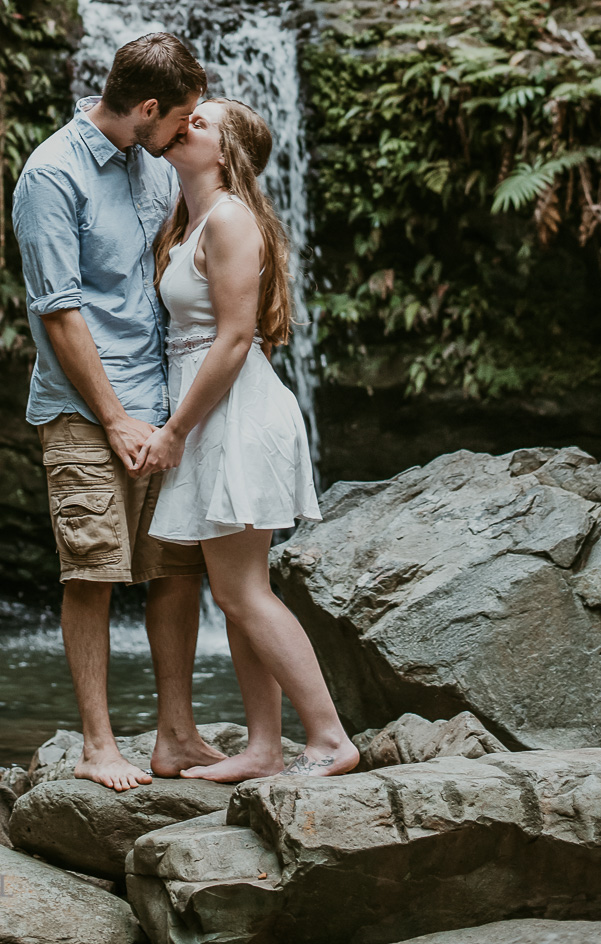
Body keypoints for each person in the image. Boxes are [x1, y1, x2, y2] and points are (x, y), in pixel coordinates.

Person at [13, 32, 226, 791]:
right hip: (85, 411)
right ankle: (99, 746)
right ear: (146, 107)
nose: (186, 134)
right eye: (181, 120)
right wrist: (114, 420)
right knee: (93, 570)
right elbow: (60, 311)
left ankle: (178, 737)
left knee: (176, 569)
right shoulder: (51, 175)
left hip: (164, 404)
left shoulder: (152, 164)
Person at [135, 98, 359, 780]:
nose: (182, 125)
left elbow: (234, 340)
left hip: (233, 414)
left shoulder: (229, 218)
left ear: (229, 152)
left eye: (199, 122)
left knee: (242, 592)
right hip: (217, 414)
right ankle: (264, 747)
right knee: (237, 592)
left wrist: (174, 431)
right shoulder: (190, 217)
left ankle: (328, 738)